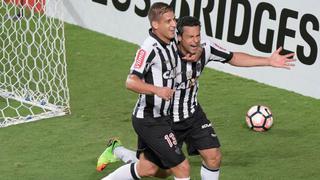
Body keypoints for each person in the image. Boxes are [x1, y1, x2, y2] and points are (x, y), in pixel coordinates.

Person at [98, 16, 295, 179]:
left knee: (214, 156)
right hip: (165, 120)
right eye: (190, 37)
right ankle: (118, 151)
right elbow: (136, 74)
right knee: (153, 170)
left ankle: (121, 152)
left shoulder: (204, 49)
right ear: (178, 37)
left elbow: (233, 57)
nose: (195, 41)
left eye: (197, 36)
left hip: (192, 115)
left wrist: (268, 61)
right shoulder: (163, 52)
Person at [99, 3, 195, 180]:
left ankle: (117, 151)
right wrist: (157, 90)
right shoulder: (149, 48)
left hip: (163, 117)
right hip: (149, 119)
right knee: (182, 167)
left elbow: (192, 45)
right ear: (155, 25)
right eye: (168, 21)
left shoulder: (172, 40)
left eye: (174, 19)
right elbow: (131, 81)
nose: (174, 24)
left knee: (149, 169)